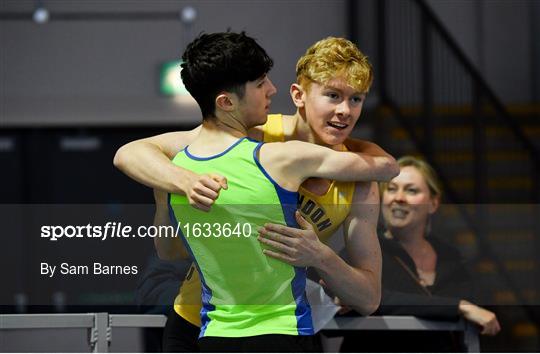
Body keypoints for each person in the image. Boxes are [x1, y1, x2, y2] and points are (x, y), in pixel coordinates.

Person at [114, 36, 396, 351]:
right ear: (298, 95)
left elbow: (368, 298)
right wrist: (181, 181)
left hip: (279, 327)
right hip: (201, 320)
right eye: (333, 96)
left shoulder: (361, 177)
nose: (345, 111)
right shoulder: (252, 131)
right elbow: (133, 151)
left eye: (356, 99)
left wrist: (321, 257)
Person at [339, 156, 501, 352]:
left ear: (433, 203)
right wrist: (458, 307)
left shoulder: (451, 258)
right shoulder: (358, 248)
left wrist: (462, 305)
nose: (398, 197)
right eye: (391, 189)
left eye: (411, 190)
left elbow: (481, 309)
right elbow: (369, 299)